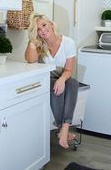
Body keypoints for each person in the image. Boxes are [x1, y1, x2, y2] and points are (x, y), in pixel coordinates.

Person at [25, 13, 79, 149]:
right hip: (46, 79)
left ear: (51, 24)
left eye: (44, 25)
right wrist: (32, 41)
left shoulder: (68, 42)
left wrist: (61, 79)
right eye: (38, 29)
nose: (42, 30)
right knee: (55, 86)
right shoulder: (39, 45)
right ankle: (63, 130)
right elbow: (30, 60)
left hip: (63, 76)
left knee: (73, 83)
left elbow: (68, 70)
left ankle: (64, 129)